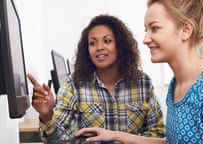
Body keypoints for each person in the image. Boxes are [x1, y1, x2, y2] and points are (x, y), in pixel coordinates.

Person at [75, 0, 203, 144]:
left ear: (185, 30)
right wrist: (116, 136)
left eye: (154, 28)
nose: (146, 39)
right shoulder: (178, 84)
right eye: (146, 29)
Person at [27, 14, 165, 143]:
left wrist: (124, 140)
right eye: (92, 43)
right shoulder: (74, 84)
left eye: (107, 41)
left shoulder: (142, 83)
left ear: (120, 45)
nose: (99, 48)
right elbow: (57, 137)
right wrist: (47, 115)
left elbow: (158, 132)